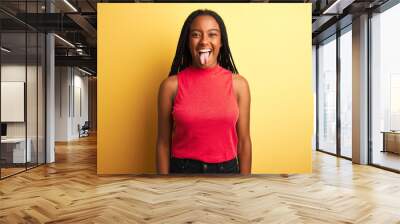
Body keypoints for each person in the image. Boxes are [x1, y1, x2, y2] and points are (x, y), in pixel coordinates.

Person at [156, 9, 251, 174]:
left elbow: (244, 141)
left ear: (221, 41)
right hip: (182, 171)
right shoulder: (170, 86)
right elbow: (163, 143)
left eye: (212, 34)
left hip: (227, 171)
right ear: (188, 42)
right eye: (196, 35)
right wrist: (163, 185)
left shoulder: (239, 85)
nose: (204, 41)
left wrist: (244, 184)